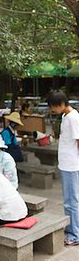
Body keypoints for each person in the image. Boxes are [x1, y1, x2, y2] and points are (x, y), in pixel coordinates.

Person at [48, 91, 79, 246]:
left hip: (72, 165)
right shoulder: (65, 116)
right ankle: (72, 229)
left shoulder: (74, 118)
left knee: (71, 201)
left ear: (61, 104)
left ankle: (74, 234)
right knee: (68, 200)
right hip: (66, 164)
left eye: (53, 107)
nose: (52, 110)